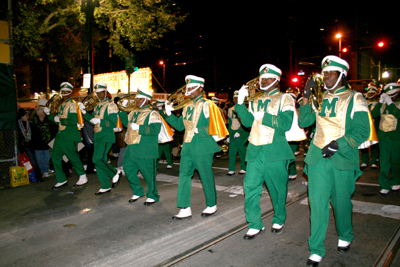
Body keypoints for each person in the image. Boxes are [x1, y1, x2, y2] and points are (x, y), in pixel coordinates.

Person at [299, 56, 370, 266]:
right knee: (318, 205)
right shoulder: (318, 98)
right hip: (317, 159)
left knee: (341, 204)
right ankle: (316, 248)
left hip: (342, 158)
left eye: (331, 73)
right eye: (325, 73)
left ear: (342, 75)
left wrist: (338, 144)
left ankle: (345, 235)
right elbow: (304, 121)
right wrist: (306, 96)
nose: (326, 77)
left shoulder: (354, 98)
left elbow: (362, 130)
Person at [235, 64, 295, 239]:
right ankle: (254, 223)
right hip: (255, 150)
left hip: (275, 150)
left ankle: (279, 217)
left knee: (277, 189)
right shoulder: (254, 100)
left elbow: (286, 124)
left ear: (276, 80)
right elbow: (247, 123)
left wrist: (265, 117)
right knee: (250, 187)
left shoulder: (285, 98)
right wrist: (240, 104)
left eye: (268, 78)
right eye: (262, 78)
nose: (263, 81)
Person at [164, 75, 228, 219]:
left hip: (202, 146)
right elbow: (181, 126)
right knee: (184, 176)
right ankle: (185, 207)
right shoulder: (187, 106)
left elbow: (218, 127)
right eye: (187, 88)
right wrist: (169, 114)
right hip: (187, 146)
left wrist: (200, 130)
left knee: (205, 175)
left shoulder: (208, 105)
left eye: (192, 88)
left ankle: (212, 204)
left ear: (201, 88)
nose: (189, 91)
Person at [118, 88, 162, 205]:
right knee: (128, 170)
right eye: (137, 98)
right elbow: (126, 123)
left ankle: (153, 195)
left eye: (140, 99)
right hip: (131, 147)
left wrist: (139, 128)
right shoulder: (133, 112)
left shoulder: (152, 113)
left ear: (147, 100)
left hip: (145, 149)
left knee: (148, 174)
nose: (137, 101)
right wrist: (121, 110)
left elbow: (155, 129)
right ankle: (137, 191)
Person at [44, 82, 87, 190]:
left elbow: (73, 120)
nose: (64, 93)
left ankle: (82, 176)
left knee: (72, 156)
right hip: (61, 135)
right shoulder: (62, 105)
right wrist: (49, 115)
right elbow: (57, 121)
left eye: (66, 92)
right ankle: (61, 179)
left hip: (68, 135)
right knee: (55, 156)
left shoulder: (73, 104)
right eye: (62, 91)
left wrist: (59, 120)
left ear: (70, 92)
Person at [80, 82, 121, 195]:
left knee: (97, 159)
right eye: (97, 93)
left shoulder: (111, 105)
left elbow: (113, 123)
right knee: (99, 161)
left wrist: (100, 121)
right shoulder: (98, 105)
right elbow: (93, 120)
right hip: (98, 136)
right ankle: (105, 185)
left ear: (105, 92)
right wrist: (84, 112)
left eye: (101, 93)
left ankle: (114, 173)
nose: (99, 95)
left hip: (106, 136)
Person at [370, 82, 400, 195]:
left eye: (394, 94)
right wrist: (381, 102)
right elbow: (373, 114)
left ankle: (396, 181)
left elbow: (398, 114)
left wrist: (390, 103)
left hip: (396, 137)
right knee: (384, 162)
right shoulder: (383, 104)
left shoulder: (396, 104)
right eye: (389, 95)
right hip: (384, 138)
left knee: (396, 161)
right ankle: (384, 184)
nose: (392, 97)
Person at [30, 98, 57, 178]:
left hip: (46, 143)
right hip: (38, 143)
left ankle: (45, 170)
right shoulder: (34, 121)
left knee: (46, 157)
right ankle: (43, 170)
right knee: (39, 158)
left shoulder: (47, 120)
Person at [17, 108, 43, 182]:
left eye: (27, 115)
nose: (27, 117)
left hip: (29, 146)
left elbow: (35, 134)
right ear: (21, 117)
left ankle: (38, 177)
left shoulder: (30, 125)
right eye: (25, 115)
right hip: (22, 146)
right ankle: (25, 177)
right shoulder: (17, 125)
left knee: (33, 161)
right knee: (23, 162)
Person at [226, 90, 249, 175]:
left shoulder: (244, 109)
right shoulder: (230, 110)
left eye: (237, 98)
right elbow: (229, 123)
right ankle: (231, 168)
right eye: (234, 98)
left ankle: (243, 167)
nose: (236, 100)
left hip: (241, 133)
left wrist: (240, 131)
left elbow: (247, 123)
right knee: (232, 152)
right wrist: (228, 135)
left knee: (242, 151)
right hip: (232, 133)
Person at [360, 82, 381, 169]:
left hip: (375, 125)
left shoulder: (379, 102)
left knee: (374, 144)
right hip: (364, 125)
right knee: (363, 144)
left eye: (372, 93)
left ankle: (373, 161)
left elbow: (375, 114)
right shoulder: (363, 101)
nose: (370, 95)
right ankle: (364, 161)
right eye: (369, 93)